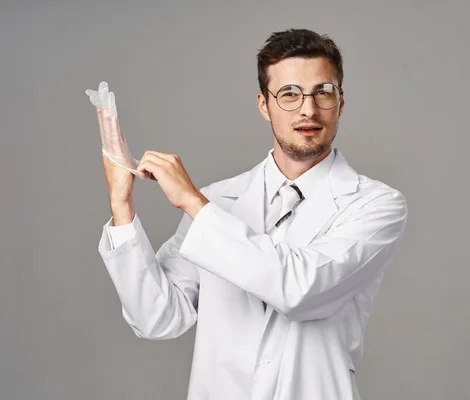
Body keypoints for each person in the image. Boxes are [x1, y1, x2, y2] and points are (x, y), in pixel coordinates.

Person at [98, 28, 407, 400]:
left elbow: (300, 290)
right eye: (289, 94)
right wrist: (122, 207)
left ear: (340, 103)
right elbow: (157, 318)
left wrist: (194, 204)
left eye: (322, 93)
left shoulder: (375, 205)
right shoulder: (221, 201)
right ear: (264, 105)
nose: (308, 109)